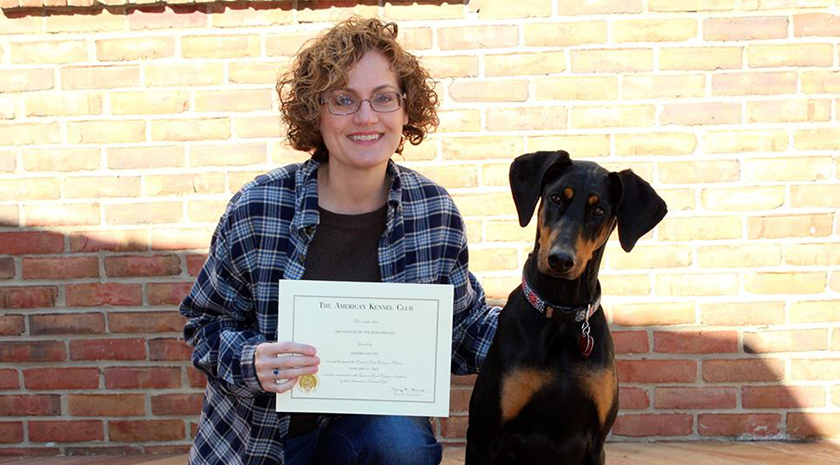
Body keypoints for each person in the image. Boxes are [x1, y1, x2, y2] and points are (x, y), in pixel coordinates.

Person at [180, 16, 500, 465]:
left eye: (383, 98)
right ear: (316, 112)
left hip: (368, 435)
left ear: (406, 110)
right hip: (262, 441)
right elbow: (204, 325)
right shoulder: (259, 206)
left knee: (401, 444)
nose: (366, 117)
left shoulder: (433, 211)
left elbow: (462, 330)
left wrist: (548, 319)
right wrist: (252, 360)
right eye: (343, 99)